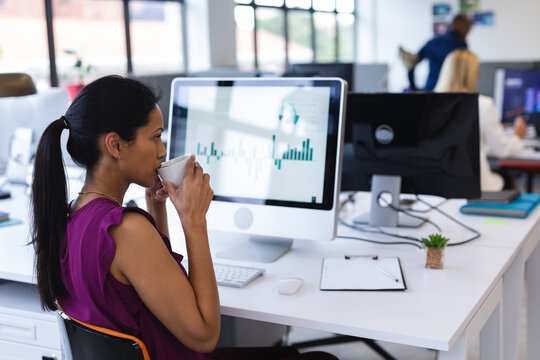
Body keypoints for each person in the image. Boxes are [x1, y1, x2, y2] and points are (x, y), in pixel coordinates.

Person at [31, 75, 337, 360]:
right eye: (155, 137)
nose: (162, 151)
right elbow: (204, 336)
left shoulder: (71, 215)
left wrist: (157, 209)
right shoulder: (126, 230)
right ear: (115, 145)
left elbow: (147, 293)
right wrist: (194, 221)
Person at [434, 49, 526, 191]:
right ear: (471, 75)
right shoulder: (482, 104)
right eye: (476, 70)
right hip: (475, 186)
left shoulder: (432, 105)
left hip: (438, 187)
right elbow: (502, 149)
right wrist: (517, 135)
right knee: (506, 178)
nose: (479, 74)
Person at [408, 14, 473, 91]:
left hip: (431, 90)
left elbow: (411, 63)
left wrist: (413, 87)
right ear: (458, 24)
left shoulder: (432, 41)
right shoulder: (460, 44)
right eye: (468, 26)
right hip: (452, 93)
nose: (469, 30)